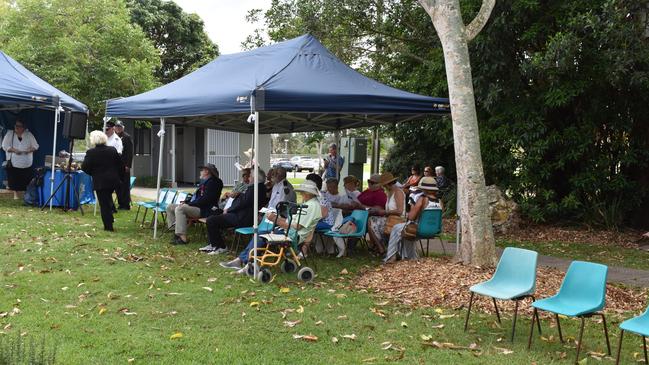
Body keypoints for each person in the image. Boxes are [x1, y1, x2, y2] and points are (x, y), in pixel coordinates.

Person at [219, 180, 322, 274]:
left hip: (293, 235)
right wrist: (277, 219)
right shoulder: (312, 204)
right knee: (262, 232)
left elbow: (297, 226)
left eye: (302, 192)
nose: (301, 194)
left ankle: (245, 261)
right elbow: (294, 223)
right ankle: (243, 260)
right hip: (291, 232)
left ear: (308, 193)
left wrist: (275, 219)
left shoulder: (311, 206)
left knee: (261, 234)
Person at [201, 169, 267, 254]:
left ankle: (221, 246)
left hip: (242, 218)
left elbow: (242, 203)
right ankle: (213, 244)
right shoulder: (257, 187)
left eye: (250, 176)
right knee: (214, 214)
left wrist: (228, 210)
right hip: (241, 215)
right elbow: (243, 201)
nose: (249, 178)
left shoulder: (255, 188)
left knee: (211, 220)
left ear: (255, 178)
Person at [383, 176, 442, 263]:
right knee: (406, 231)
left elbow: (411, 217)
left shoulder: (422, 199)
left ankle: (391, 256)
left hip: (420, 229)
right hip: (434, 230)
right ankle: (409, 256)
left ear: (424, 189)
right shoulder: (440, 202)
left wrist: (411, 212)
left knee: (396, 228)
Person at [166, 164, 223, 245]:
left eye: (202, 170)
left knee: (180, 209)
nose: (200, 172)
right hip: (198, 206)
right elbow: (196, 197)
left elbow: (205, 200)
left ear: (207, 171)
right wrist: (186, 201)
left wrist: (189, 204)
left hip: (206, 209)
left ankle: (183, 238)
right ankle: (176, 233)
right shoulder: (205, 181)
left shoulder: (214, 182)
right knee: (170, 207)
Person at [81, 131, 124, 231]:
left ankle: (108, 227)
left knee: (104, 204)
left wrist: (93, 173)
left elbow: (84, 167)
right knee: (108, 199)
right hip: (113, 181)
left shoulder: (91, 152)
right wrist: (118, 176)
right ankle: (110, 218)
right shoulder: (112, 150)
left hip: (100, 181)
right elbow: (120, 165)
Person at [368, 172, 406, 255]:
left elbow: (399, 211)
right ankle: (381, 247)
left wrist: (385, 212)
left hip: (398, 221)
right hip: (390, 219)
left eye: (384, 185)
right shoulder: (389, 193)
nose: (383, 187)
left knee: (372, 221)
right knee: (371, 220)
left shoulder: (398, 192)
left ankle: (381, 248)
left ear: (388, 184)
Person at [2, 119, 39, 200]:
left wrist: (29, 150)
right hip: (13, 161)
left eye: (19, 126)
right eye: (16, 126)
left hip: (26, 161)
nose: (17, 127)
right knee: (14, 178)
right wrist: (14, 150)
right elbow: (4, 146)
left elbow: (36, 146)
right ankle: (15, 194)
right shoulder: (10, 134)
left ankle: (26, 194)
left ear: (24, 127)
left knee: (26, 178)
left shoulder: (29, 135)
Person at [114, 120, 133, 210]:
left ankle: (125, 204)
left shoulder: (126, 137)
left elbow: (129, 152)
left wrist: (128, 165)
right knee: (118, 185)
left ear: (122, 127)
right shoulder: (114, 137)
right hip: (116, 165)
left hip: (124, 165)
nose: (118, 128)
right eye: (116, 127)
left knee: (125, 185)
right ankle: (120, 203)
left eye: (119, 127)